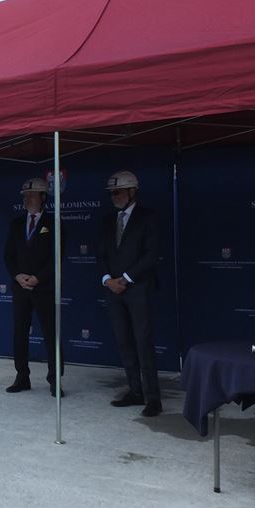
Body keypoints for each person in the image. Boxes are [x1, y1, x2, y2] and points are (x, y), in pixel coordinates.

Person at [97, 170, 161, 417]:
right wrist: (108, 280)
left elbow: (151, 254)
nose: (114, 196)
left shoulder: (148, 217)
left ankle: (153, 398)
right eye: (111, 193)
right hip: (113, 291)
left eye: (118, 192)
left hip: (137, 289)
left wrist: (125, 278)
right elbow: (101, 255)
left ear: (133, 191)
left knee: (143, 342)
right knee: (124, 342)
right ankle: (135, 391)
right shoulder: (107, 221)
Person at [4, 177, 60, 395]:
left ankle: (55, 380)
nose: (28, 199)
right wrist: (17, 276)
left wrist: (38, 278)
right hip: (20, 289)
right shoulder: (16, 224)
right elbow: (8, 256)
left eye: (32, 195)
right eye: (25, 196)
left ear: (43, 197)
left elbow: (56, 257)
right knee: (20, 333)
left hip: (44, 288)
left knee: (51, 335)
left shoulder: (54, 222)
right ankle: (22, 377)